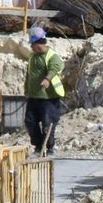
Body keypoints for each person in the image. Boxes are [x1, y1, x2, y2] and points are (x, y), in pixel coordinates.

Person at [23, 27, 65, 156]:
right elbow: (29, 74)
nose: (31, 47)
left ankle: (49, 147)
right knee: (30, 122)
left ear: (39, 43)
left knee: (48, 124)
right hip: (33, 97)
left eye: (32, 44)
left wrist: (47, 79)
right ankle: (38, 146)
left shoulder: (52, 56)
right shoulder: (32, 57)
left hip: (49, 98)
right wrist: (26, 89)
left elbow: (56, 67)